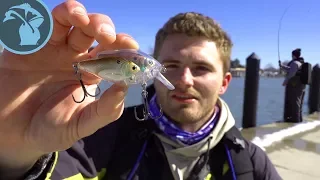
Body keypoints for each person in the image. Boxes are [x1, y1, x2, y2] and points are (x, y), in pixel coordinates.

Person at [0, 1, 281, 180]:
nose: (184, 79)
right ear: (154, 72)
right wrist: (16, 158)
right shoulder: (98, 137)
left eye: (201, 68)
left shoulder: (251, 164)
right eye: (171, 64)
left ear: (225, 82)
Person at [279, 48, 306, 122]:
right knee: (298, 102)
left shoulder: (294, 63)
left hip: (295, 86)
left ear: (293, 55)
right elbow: (290, 69)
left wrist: (285, 82)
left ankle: (295, 120)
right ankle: (299, 119)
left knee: (296, 102)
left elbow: (291, 74)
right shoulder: (300, 63)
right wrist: (282, 66)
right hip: (301, 85)